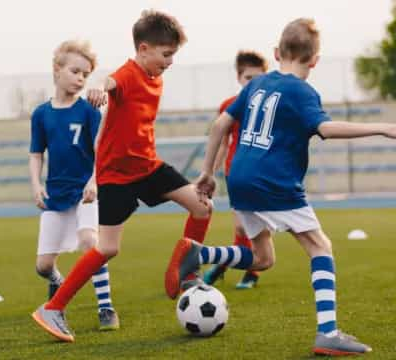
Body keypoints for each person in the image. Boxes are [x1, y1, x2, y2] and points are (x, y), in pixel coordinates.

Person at [169, 18, 396, 355]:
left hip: (240, 180)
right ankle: (328, 333)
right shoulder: (302, 91)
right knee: (320, 247)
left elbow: (220, 124)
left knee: (262, 258)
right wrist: (382, 127)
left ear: (276, 52)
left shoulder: (256, 84)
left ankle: (200, 253)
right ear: (315, 60)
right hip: (274, 182)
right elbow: (327, 129)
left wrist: (207, 172)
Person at [32, 10, 255, 342]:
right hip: (116, 178)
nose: (169, 62)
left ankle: (187, 272)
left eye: (173, 56)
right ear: (144, 48)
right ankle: (53, 307)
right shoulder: (128, 73)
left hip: (149, 167)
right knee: (106, 249)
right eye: (166, 55)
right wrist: (96, 87)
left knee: (202, 206)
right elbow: (110, 83)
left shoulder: (157, 77)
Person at [30, 39, 119, 341]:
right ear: (57, 70)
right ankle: (57, 280)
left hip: (85, 192)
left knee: (89, 241)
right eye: (75, 71)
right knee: (42, 266)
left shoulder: (89, 111)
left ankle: (106, 307)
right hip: (56, 196)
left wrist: (94, 180)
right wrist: (35, 184)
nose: (81, 78)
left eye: (85, 74)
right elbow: (36, 153)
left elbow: (101, 149)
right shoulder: (41, 114)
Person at [203, 50, 268, 289]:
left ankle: (232, 267)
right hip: (236, 173)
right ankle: (242, 269)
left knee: (253, 225)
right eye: (249, 78)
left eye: (259, 78)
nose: (254, 83)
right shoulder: (229, 106)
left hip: (263, 173)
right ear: (240, 78)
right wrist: (212, 171)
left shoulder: (268, 107)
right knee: (242, 225)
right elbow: (223, 141)